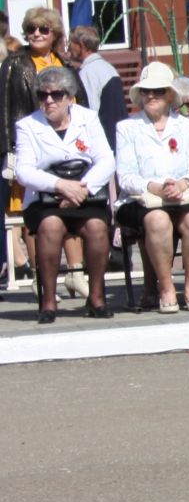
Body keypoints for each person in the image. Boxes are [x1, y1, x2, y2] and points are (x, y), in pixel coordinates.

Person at [15, 65, 115, 321]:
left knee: (96, 226)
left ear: (69, 97)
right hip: (46, 198)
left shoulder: (88, 118)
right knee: (50, 226)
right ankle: (48, 300)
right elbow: (24, 171)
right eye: (43, 95)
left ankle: (96, 296)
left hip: (84, 193)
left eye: (56, 94)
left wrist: (82, 189)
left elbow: (106, 160)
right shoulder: (27, 125)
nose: (48, 100)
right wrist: (60, 186)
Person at [114, 62, 189, 313]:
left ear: (169, 95)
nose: (151, 96)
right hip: (140, 200)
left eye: (157, 90)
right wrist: (154, 186)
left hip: (181, 197)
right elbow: (125, 176)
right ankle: (165, 288)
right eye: (145, 91)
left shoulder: (187, 126)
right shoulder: (127, 127)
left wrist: (181, 184)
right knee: (157, 220)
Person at [4, 6, 71, 289]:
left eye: (43, 29)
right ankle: (39, 278)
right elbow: (5, 109)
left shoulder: (63, 64)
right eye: (31, 29)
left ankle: (75, 274)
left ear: (54, 33)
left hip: (65, 148)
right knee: (31, 213)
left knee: (68, 208)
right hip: (29, 148)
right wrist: (10, 151)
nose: (36, 34)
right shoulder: (15, 64)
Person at [68, 25, 128, 150]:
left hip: (105, 143)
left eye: (71, 43)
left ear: (81, 45)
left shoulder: (88, 72)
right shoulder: (108, 67)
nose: (68, 48)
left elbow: (90, 111)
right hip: (119, 139)